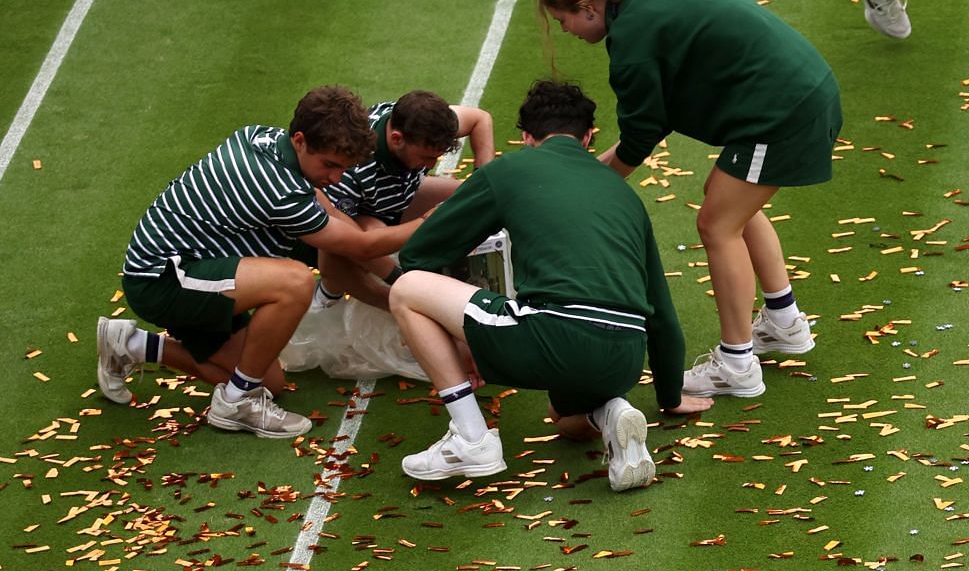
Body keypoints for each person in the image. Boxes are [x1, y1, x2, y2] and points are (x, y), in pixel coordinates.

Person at [539, 0, 840, 399]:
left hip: (782, 113)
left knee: (718, 224)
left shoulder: (632, 42)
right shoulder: (652, 0)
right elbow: (652, 119)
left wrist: (594, 185)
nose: (563, 30)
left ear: (588, 8)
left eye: (562, 19)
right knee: (732, 208)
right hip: (799, 95)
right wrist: (592, 171)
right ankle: (783, 322)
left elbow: (640, 134)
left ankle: (737, 365)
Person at [386, 80, 709, 488]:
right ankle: (609, 412)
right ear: (589, 137)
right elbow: (660, 310)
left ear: (526, 137)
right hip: (624, 357)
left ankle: (472, 438)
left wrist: (460, 340)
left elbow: (419, 258)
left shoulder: (510, 169)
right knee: (565, 420)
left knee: (407, 289)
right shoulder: (624, 195)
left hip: (556, 335)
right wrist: (670, 395)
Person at [95, 86, 424, 437]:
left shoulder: (260, 137)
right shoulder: (282, 192)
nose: (335, 178)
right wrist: (425, 224)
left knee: (270, 380)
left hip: (192, 265)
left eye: (343, 168)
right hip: (162, 279)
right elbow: (359, 246)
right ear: (299, 140)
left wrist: (397, 291)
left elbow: (336, 226)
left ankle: (128, 344)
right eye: (329, 165)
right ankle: (236, 403)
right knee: (295, 282)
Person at [312, 90, 496, 311]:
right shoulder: (351, 168)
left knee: (476, 198)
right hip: (363, 215)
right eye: (426, 157)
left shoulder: (422, 123)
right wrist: (402, 279)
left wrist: (479, 181)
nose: (430, 166)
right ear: (397, 139)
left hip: (401, 196)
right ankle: (383, 303)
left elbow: (480, 119)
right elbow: (356, 245)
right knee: (347, 254)